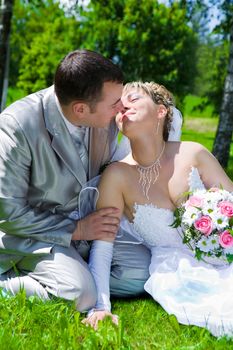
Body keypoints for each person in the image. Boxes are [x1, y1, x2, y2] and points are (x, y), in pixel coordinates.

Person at [0, 49, 154, 311]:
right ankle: (10, 284)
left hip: (90, 230)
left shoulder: (104, 113)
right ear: (81, 109)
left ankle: (74, 270)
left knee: (144, 273)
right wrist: (77, 230)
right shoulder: (17, 125)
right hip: (33, 235)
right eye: (115, 103)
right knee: (80, 295)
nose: (122, 107)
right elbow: (8, 213)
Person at [83, 81, 233, 337]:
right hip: (176, 270)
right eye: (119, 106)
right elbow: (103, 246)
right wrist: (100, 306)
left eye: (133, 99)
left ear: (161, 111)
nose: (123, 107)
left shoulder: (194, 153)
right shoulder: (116, 176)